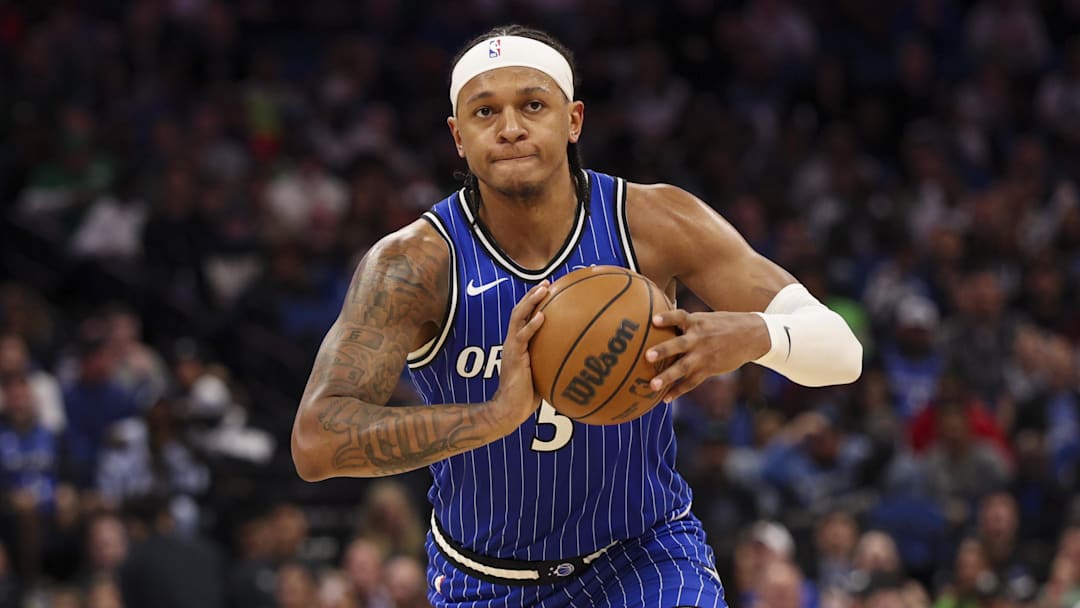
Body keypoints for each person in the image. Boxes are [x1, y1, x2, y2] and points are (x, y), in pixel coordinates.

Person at [291, 24, 862, 607]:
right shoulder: (412, 266)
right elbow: (315, 443)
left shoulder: (654, 221)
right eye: (485, 112)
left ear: (574, 120)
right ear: (458, 136)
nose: (510, 127)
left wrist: (754, 335)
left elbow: (844, 353)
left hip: (646, 555)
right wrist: (492, 417)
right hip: (483, 580)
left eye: (532, 105)